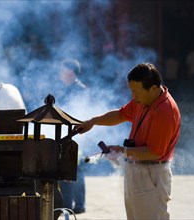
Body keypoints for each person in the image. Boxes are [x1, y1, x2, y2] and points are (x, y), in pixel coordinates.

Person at [74, 63, 181, 220]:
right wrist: (93, 121)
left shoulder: (164, 111)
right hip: (137, 170)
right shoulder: (143, 100)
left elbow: (154, 152)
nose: (133, 96)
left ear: (153, 88)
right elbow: (120, 115)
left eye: (136, 92)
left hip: (152, 174)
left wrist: (122, 150)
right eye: (132, 91)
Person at [56, 59, 87, 214]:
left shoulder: (80, 90)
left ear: (71, 72)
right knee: (65, 170)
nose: (60, 73)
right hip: (66, 134)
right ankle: (67, 204)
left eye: (63, 70)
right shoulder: (64, 88)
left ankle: (80, 205)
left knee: (77, 170)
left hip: (77, 135)